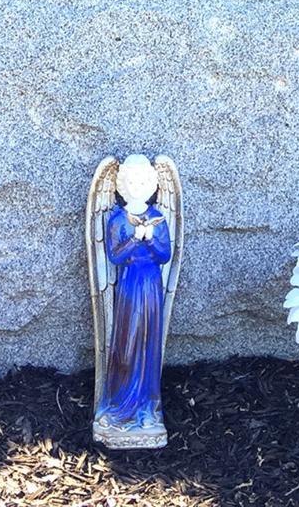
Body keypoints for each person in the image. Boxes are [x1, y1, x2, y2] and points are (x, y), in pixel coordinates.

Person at [96, 154, 171, 437]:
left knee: (149, 347)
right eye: (133, 181)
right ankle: (117, 407)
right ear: (123, 185)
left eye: (144, 181)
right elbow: (114, 256)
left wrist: (149, 237)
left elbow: (165, 255)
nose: (138, 186)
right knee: (126, 346)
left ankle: (148, 410)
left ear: (152, 184)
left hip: (151, 286)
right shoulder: (117, 219)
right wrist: (134, 238)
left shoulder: (158, 218)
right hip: (129, 286)